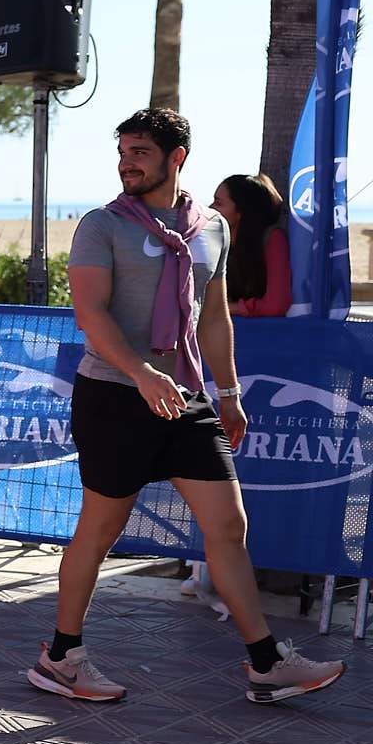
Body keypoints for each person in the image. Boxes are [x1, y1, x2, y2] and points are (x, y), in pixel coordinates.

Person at [31, 107, 344, 706]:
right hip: (115, 395)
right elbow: (90, 314)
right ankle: (61, 656)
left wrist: (228, 393)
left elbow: (215, 317)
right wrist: (142, 373)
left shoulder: (213, 230)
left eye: (141, 152)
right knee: (101, 528)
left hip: (190, 398)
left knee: (228, 525)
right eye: (123, 152)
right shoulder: (101, 226)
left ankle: (265, 662)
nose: (128, 163)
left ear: (176, 158)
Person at [213, 173, 291, 317]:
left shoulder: (273, 239)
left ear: (241, 210)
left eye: (218, 203)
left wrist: (231, 308)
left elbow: (276, 306)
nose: (210, 209)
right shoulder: (219, 243)